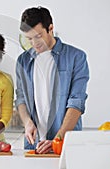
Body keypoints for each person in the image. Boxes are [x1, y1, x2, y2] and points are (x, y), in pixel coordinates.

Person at [15, 6, 89, 154]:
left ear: (50, 28)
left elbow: (76, 102)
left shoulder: (76, 57)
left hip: (64, 142)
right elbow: (21, 99)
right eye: (29, 38)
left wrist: (58, 139)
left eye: (38, 36)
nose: (34, 43)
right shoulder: (23, 61)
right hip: (33, 145)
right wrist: (28, 123)